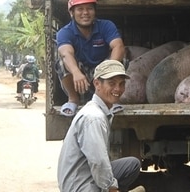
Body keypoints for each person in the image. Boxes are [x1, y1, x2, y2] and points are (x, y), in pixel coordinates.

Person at [57, 60, 145, 192]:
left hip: (85, 176)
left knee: (132, 165)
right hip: (79, 186)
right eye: (112, 83)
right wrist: (112, 188)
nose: (118, 89)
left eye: (122, 84)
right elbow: (98, 162)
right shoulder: (94, 117)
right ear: (97, 84)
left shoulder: (101, 110)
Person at [56, 0, 126, 116]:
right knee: (61, 62)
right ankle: (73, 99)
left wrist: (108, 70)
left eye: (89, 9)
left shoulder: (106, 25)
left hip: (101, 73)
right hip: (80, 76)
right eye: (80, 9)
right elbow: (66, 53)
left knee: (122, 59)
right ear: (71, 13)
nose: (85, 13)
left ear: (95, 11)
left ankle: (109, 101)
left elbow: (118, 46)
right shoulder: (65, 32)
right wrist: (76, 73)